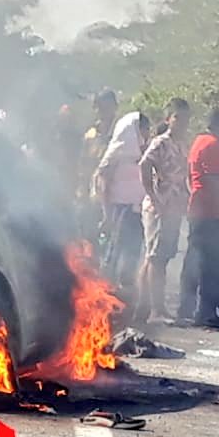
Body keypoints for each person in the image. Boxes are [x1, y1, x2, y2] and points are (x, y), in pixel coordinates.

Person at [136, 98, 191, 324]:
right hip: (159, 206)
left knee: (163, 256)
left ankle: (145, 306)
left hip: (175, 206)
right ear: (168, 119)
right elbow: (144, 164)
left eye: (185, 118)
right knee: (155, 256)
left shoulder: (183, 144)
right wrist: (152, 192)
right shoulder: (161, 142)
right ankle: (155, 311)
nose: (182, 122)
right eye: (177, 117)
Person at [178, 109, 219, 327]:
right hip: (210, 212)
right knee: (209, 264)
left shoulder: (198, 141)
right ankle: (204, 312)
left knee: (195, 261)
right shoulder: (213, 146)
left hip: (198, 209)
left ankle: (187, 308)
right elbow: (214, 180)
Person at [95, 112, 150, 300]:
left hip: (137, 210)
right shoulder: (116, 154)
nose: (146, 133)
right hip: (121, 209)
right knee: (117, 252)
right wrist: (107, 214)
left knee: (133, 253)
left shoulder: (142, 153)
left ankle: (126, 296)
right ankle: (108, 295)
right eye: (142, 128)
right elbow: (103, 183)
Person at [78, 89, 119, 246]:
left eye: (108, 107)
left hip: (117, 194)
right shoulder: (90, 135)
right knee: (91, 238)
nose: (104, 111)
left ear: (115, 107)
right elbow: (83, 165)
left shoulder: (121, 133)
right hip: (95, 194)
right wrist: (82, 191)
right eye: (101, 107)